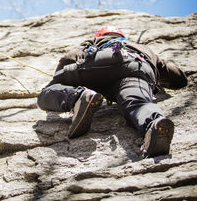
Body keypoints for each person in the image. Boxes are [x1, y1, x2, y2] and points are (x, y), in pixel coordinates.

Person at [37, 27, 188, 158]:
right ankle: (154, 124)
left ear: (99, 36)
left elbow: (68, 58)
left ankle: (78, 97)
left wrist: (64, 77)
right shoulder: (141, 47)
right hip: (139, 67)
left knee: (48, 92)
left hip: (101, 64)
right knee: (138, 103)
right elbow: (179, 79)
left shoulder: (94, 41)